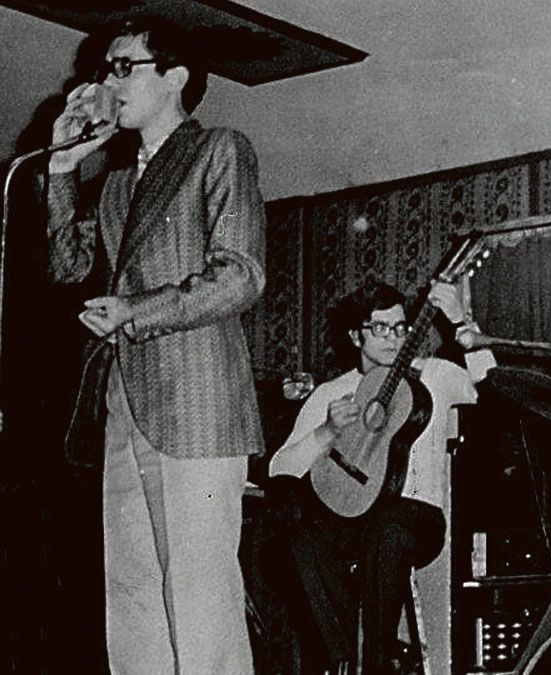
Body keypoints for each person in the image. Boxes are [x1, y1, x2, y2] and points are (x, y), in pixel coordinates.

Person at [45, 17, 266, 674]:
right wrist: (61, 167)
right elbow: (65, 266)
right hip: (126, 406)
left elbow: (241, 276)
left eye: (122, 67)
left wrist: (136, 311)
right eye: (103, 71)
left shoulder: (219, 149)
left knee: (200, 597)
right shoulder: (115, 182)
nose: (105, 83)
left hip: (198, 406)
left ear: (174, 77)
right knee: (134, 597)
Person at [270, 279, 492, 674]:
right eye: (380, 328)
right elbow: (279, 468)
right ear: (356, 335)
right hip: (352, 518)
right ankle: (341, 661)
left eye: (401, 327)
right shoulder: (332, 393)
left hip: (416, 518)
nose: (394, 338)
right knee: (301, 538)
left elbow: (491, 386)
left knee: (387, 529)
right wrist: (326, 432)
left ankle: (376, 665)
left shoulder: (433, 376)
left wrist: (461, 321)